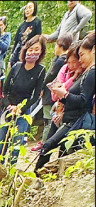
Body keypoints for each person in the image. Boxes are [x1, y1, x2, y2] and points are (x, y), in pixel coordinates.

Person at [36, 31, 95, 170]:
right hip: (70, 119)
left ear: (93, 51)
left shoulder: (92, 73)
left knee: (50, 146)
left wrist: (64, 95)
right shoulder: (87, 72)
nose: (80, 60)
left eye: (82, 55)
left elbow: (83, 100)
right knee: (55, 148)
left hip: (76, 121)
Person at [0, 35, 47, 171]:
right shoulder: (17, 67)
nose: (33, 52)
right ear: (26, 50)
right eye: (31, 49)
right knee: (1, 146)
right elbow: (4, 90)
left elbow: (36, 96)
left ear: (41, 52)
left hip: (24, 111)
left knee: (16, 146)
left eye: (37, 49)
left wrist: (21, 108)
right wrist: (9, 106)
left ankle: (11, 175)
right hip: (8, 108)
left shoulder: (41, 70)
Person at [40, 33, 74, 126]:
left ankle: (45, 139)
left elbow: (50, 76)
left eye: (56, 45)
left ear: (60, 46)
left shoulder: (60, 61)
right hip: (62, 95)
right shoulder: (67, 59)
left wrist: (42, 87)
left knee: (48, 119)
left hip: (51, 93)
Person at [10, 2, 42, 68]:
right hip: (18, 53)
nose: (27, 10)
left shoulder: (37, 22)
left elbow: (38, 39)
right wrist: (12, 56)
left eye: (30, 7)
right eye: (26, 8)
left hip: (28, 54)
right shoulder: (22, 25)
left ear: (34, 8)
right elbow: (16, 42)